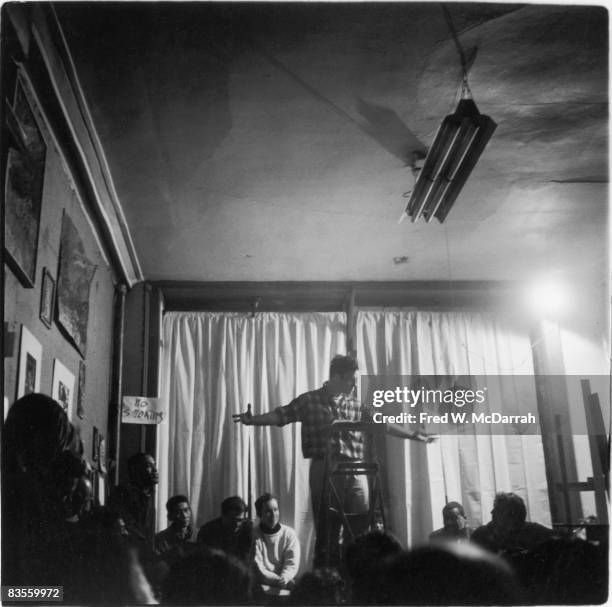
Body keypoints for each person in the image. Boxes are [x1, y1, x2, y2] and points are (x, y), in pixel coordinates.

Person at [233, 354, 433, 565]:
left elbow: (381, 423)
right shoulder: (309, 400)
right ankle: (327, 579)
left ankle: (354, 575)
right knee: (327, 527)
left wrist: (412, 434)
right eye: (350, 379)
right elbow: (282, 415)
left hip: (356, 470)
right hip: (325, 467)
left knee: (359, 527)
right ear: (336, 377)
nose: (355, 384)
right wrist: (253, 420)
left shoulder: (355, 404)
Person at [471, 492, 553, 557]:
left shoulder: (532, 530)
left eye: (498, 510)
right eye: (494, 508)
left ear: (514, 516)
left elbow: (559, 538)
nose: (492, 512)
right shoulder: (481, 535)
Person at [253, 492, 300, 597]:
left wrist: (284, 578)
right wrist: (278, 581)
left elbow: (291, 563)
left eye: (275, 509)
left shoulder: (289, 534)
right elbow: (259, 568)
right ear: (259, 514)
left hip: (286, 582)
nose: (274, 515)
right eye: (268, 511)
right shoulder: (254, 535)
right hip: (263, 584)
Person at [109, 452, 159, 549]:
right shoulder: (122, 492)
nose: (155, 470)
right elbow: (120, 528)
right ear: (135, 470)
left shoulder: (147, 495)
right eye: (149, 466)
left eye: (155, 465)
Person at [197, 495, 253, 563]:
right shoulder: (207, 531)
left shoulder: (250, 529)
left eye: (240, 520)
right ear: (223, 515)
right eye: (232, 519)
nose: (237, 524)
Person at [155, 494, 197, 567]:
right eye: (178, 512)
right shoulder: (161, 539)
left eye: (186, 510)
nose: (184, 515)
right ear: (170, 516)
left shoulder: (198, 535)